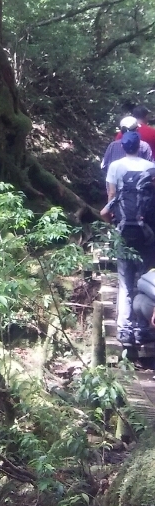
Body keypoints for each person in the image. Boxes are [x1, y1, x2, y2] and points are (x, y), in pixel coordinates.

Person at [101, 130, 155, 347]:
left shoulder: (115, 167)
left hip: (124, 231)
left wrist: (114, 224)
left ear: (123, 147)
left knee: (124, 283)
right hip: (148, 233)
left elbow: (111, 199)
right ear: (141, 147)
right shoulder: (151, 168)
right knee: (144, 282)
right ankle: (143, 330)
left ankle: (124, 330)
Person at [101, 115, 152, 182]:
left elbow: (104, 166)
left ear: (122, 130)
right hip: (139, 187)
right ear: (137, 130)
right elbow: (151, 169)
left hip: (116, 187)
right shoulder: (144, 146)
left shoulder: (112, 146)